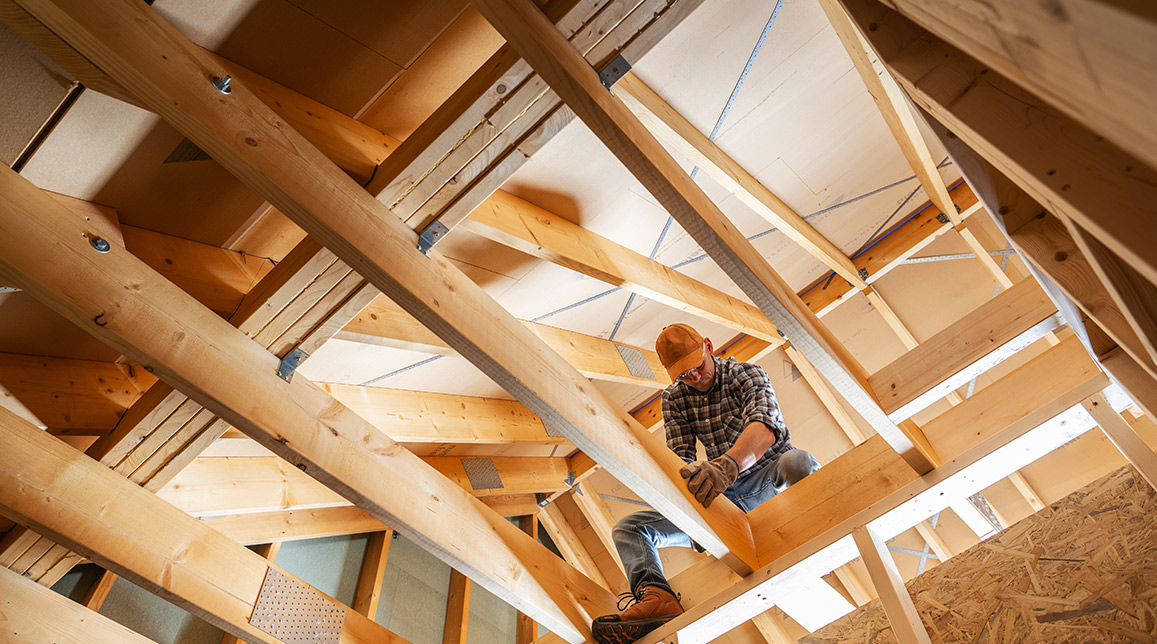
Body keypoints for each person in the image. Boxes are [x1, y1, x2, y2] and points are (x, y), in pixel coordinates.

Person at [592, 323, 820, 644]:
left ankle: (816, 525)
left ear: (708, 347)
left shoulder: (747, 375)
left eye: (697, 367)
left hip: (769, 478)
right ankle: (659, 599)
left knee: (800, 462)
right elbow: (679, 460)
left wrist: (728, 465)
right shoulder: (675, 399)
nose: (694, 378)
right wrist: (689, 497)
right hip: (722, 501)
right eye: (683, 374)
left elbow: (765, 427)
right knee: (629, 528)